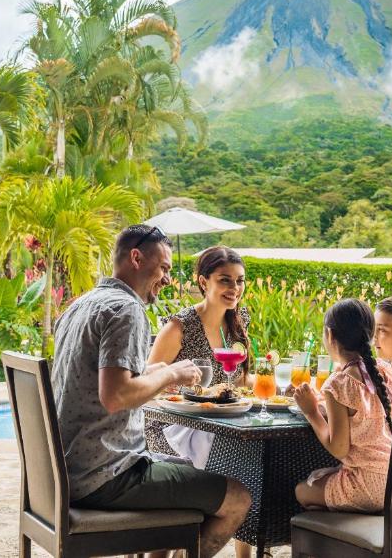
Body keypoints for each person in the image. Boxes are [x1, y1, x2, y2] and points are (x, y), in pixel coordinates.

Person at [51, 224, 251, 558]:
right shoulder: (126, 310)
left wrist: (155, 371)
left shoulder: (83, 304)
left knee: (193, 476)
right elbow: (115, 396)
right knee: (237, 498)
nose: (168, 278)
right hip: (107, 475)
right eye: (164, 268)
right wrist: (172, 370)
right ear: (136, 258)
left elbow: (99, 378)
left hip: (70, 469)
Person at [147, 245, 256, 558]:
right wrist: (180, 386)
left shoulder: (238, 321)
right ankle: (178, 545)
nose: (234, 288)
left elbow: (237, 381)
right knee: (238, 457)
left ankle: (243, 550)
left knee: (253, 457)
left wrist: (259, 385)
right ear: (203, 281)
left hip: (219, 423)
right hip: (172, 426)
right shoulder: (178, 326)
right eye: (225, 280)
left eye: (239, 281)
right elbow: (149, 385)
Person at [293, 298, 392, 513]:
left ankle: (339, 533)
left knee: (301, 491)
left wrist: (311, 411)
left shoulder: (339, 384)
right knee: (321, 487)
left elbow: (339, 448)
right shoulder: (384, 370)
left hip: (367, 486)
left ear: (330, 335)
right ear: (370, 334)